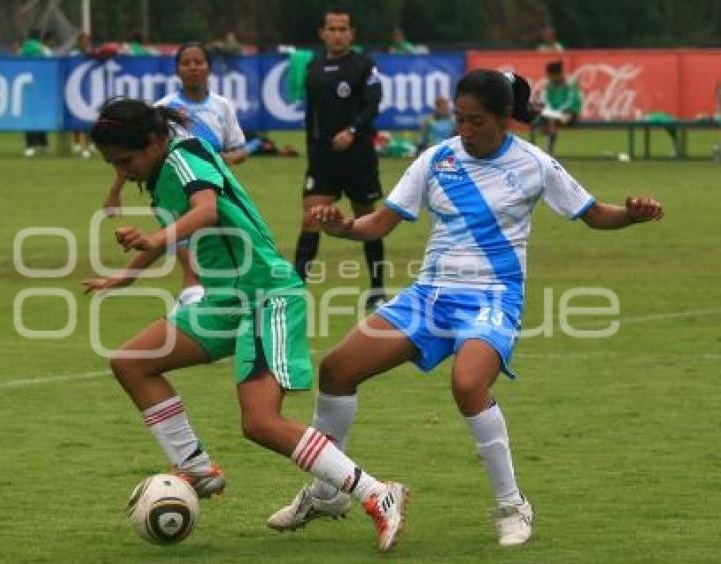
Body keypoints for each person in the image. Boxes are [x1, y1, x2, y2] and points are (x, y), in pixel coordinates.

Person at [267, 69, 663, 548]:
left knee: (468, 382)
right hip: (428, 296)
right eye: (460, 119)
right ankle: (327, 491)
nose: (466, 130)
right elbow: (379, 223)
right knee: (336, 369)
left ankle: (512, 504)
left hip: (493, 298)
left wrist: (632, 213)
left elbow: (596, 214)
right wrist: (343, 227)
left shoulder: (535, 164)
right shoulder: (437, 159)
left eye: (476, 121)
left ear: (504, 120)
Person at [82, 98, 409, 552]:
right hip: (225, 300)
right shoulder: (160, 172)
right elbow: (180, 227)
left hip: (265, 295)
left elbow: (206, 211)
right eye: (115, 164)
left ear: (155, 141)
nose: (125, 170)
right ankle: (195, 468)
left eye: (126, 161)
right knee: (132, 361)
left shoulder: (185, 156)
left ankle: (376, 492)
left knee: (260, 422)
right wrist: (125, 275)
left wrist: (155, 237)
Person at [102, 42, 248, 310]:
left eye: (199, 62)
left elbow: (238, 152)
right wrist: (115, 191)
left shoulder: (219, 109)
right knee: (190, 259)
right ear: (177, 70)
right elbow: (129, 155)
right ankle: (194, 301)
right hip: (183, 192)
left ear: (209, 68)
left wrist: (216, 161)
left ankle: (195, 304)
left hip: (209, 190)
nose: (193, 68)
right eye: (186, 63)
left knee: (203, 259)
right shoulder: (162, 111)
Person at [293, 7, 387, 308]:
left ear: (352, 33)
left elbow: (373, 104)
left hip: (358, 157)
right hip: (323, 160)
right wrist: (312, 153)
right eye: (331, 29)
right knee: (310, 219)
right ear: (322, 33)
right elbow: (312, 117)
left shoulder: (364, 66)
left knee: (366, 220)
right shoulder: (313, 69)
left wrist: (352, 131)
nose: (337, 34)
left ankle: (376, 289)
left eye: (343, 29)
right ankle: (295, 290)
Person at [19, 29, 52, 156]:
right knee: (41, 116)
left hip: (26, 87)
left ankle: (29, 145)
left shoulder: (22, 50)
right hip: (42, 87)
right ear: (39, 37)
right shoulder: (43, 50)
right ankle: (43, 144)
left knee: (29, 117)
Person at [538, 60, 582, 154]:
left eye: (551, 75)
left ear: (558, 74)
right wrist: (553, 112)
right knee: (540, 114)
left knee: (552, 119)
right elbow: (547, 101)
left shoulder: (570, 84)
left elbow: (572, 101)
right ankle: (547, 147)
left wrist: (557, 112)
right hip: (555, 115)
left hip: (570, 113)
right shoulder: (550, 86)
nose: (549, 78)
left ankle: (549, 148)